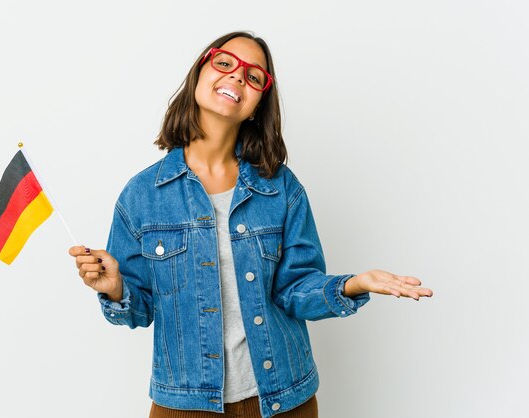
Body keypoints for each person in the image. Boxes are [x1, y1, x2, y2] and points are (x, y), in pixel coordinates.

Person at [69, 31, 433, 418]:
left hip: (284, 400)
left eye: (254, 76)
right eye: (225, 63)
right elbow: (138, 310)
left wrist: (352, 284)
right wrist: (116, 288)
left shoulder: (281, 188)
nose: (238, 77)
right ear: (199, 74)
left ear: (258, 104)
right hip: (184, 404)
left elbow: (294, 289)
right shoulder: (142, 195)